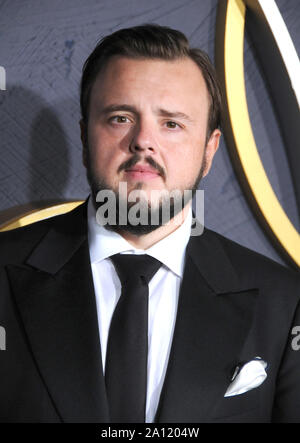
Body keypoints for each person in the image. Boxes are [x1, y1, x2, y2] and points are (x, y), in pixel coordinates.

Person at [0, 24, 300, 424]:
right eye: (121, 118)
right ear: (86, 138)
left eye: (171, 123)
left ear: (209, 150)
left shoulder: (282, 302)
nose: (143, 141)